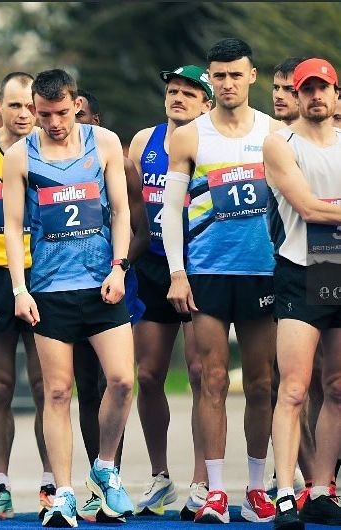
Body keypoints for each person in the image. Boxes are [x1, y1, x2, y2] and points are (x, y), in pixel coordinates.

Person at [4, 68, 134, 528]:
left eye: (61, 112)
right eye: (44, 115)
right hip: (50, 290)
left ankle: (105, 466)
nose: (54, 122)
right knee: (57, 392)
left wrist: (119, 267)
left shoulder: (105, 143)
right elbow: (13, 227)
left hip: (101, 284)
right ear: (33, 109)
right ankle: (63, 493)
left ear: (76, 104)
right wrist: (19, 289)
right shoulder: (19, 156)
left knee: (122, 381)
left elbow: (121, 211)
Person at [162, 38, 283, 524]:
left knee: (261, 382)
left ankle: (256, 488)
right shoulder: (190, 137)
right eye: (219, 76)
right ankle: (214, 492)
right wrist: (177, 272)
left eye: (236, 74)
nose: (228, 83)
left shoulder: (275, 134)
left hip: (263, 272)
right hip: (208, 272)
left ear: (252, 76)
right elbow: (171, 212)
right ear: (210, 80)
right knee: (210, 380)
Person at [0, 72, 54, 521]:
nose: (24, 114)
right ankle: (0, 487)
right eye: (14, 105)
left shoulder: (51, 148)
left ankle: (51, 484)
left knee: (45, 387)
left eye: (30, 106)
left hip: (44, 276)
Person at [128, 64, 212, 520]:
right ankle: (160, 476)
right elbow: (135, 212)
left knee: (200, 372)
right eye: (173, 90)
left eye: (189, 93)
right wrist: (122, 262)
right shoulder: (144, 142)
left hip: (199, 266)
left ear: (206, 103)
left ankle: (202, 480)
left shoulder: (211, 143)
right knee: (147, 375)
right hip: (155, 266)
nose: (177, 97)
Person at [264, 57, 341, 530]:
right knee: (293, 389)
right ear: (295, 96)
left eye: (322, 88)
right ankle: (286, 494)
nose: (315, 96)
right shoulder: (281, 143)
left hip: (338, 265)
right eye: (306, 89)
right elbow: (309, 209)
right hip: (300, 267)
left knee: (337, 387)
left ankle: (322, 490)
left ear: (336, 95)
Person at [73, 89, 149, 522]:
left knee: (114, 381)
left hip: (115, 284)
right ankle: (94, 480)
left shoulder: (120, 164)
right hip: (67, 285)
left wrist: (117, 267)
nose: (72, 123)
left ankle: (111, 475)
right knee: (85, 386)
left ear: (96, 121)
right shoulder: (47, 164)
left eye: (80, 114)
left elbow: (142, 230)